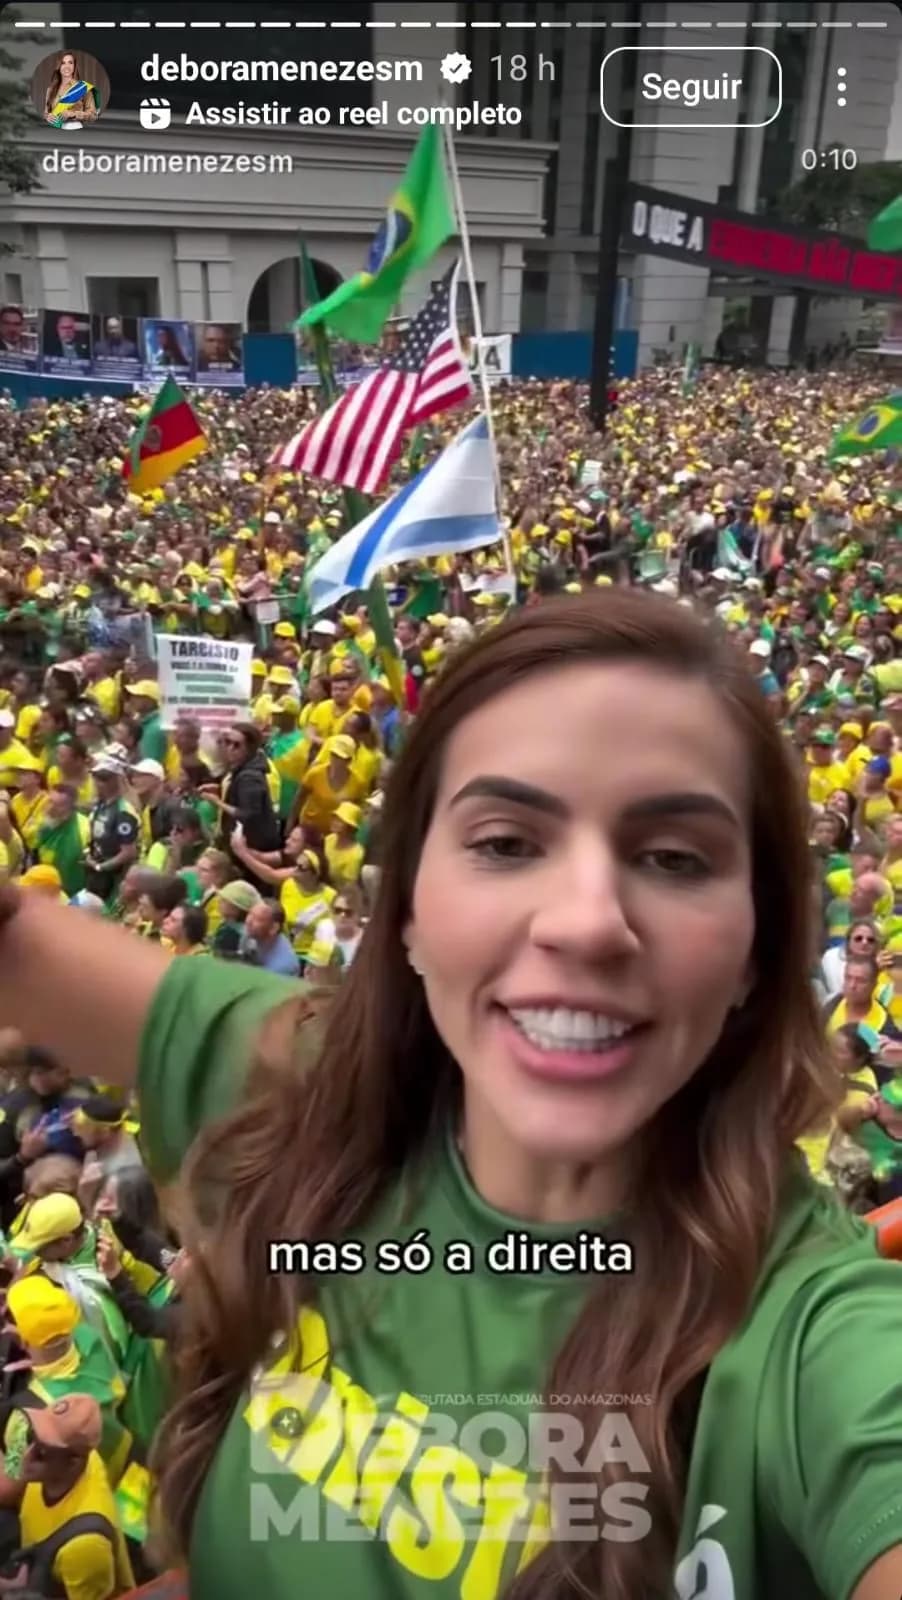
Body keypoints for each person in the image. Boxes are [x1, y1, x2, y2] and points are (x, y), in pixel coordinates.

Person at [4, 591, 902, 1598]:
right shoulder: (303, 1080)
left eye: (672, 857)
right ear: (408, 915)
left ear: (756, 948)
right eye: (506, 842)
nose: (585, 921)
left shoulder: (810, 1329)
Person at [84, 758, 139, 908]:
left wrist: (101, 867)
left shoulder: (123, 811)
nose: (97, 782)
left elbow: (128, 852)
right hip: (95, 871)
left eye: (104, 778)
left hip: (113, 877)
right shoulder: (100, 805)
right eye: (96, 777)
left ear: (115, 781)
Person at [240, 898, 300, 978]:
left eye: (258, 919)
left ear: (273, 928)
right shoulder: (250, 932)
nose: (248, 921)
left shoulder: (283, 966)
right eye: (250, 914)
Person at [43, 51, 100, 127]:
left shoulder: (83, 87)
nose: (67, 66)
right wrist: (47, 117)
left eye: (70, 62)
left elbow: (93, 115)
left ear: (74, 66)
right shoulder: (50, 89)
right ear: (58, 66)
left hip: (74, 128)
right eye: (63, 63)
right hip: (55, 129)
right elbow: (46, 112)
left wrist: (73, 114)